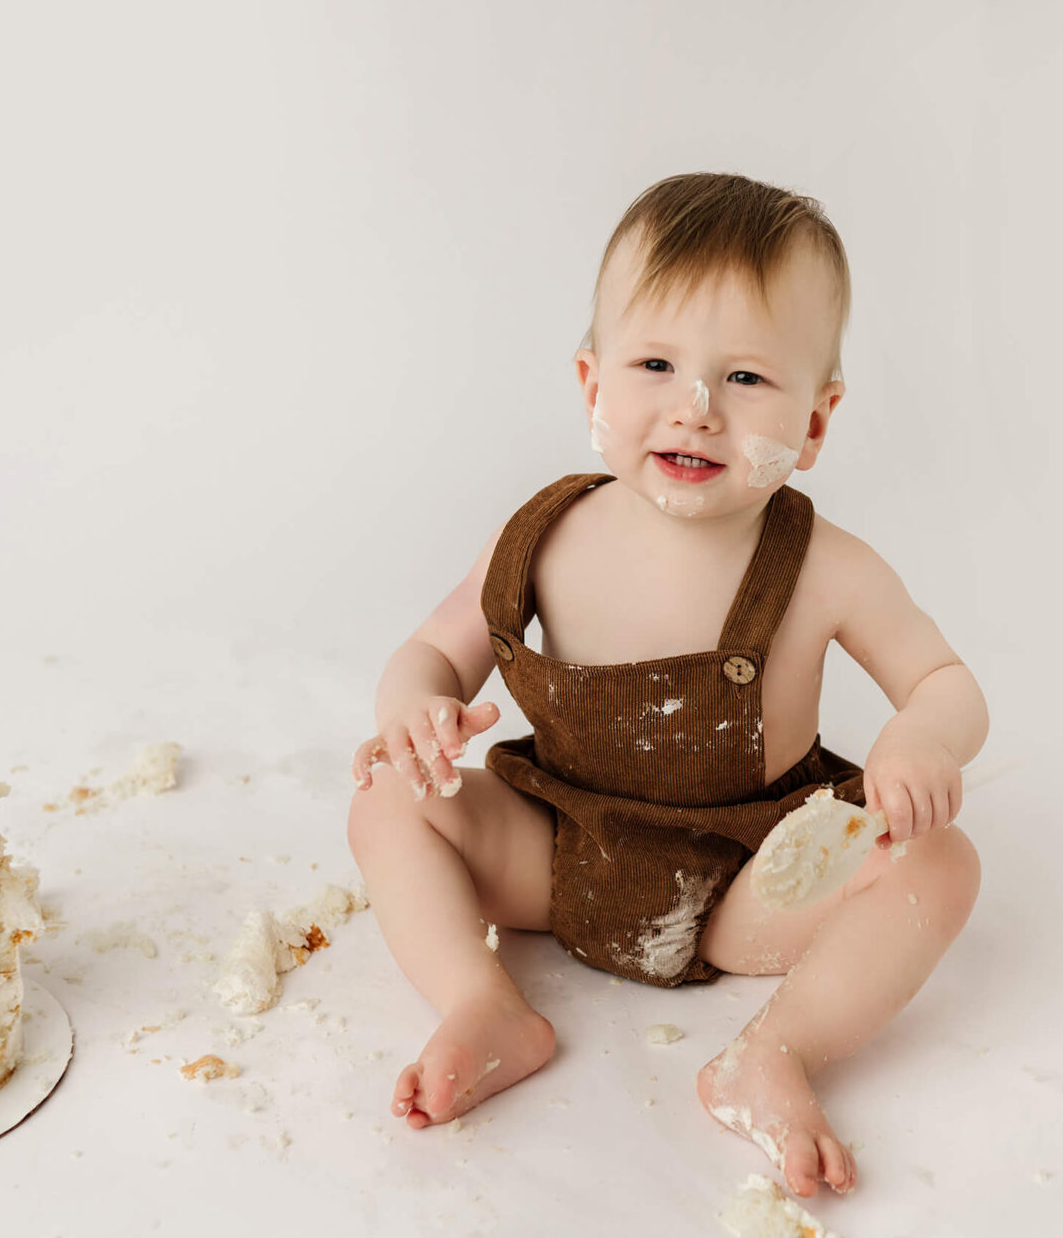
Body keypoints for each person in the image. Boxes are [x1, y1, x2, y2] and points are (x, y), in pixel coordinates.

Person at [346, 171, 987, 1200]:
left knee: (940, 864)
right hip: (556, 852)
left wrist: (922, 739)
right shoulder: (544, 535)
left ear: (815, 423)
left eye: (744, 379)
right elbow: (429, 652)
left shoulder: (826, 566)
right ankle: (483, 1002)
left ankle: (774, 1052)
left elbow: (946, 681)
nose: (694, 409)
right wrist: (410, 711)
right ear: (592, 382)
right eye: (655, 363)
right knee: (384, 799)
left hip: (748, 877)